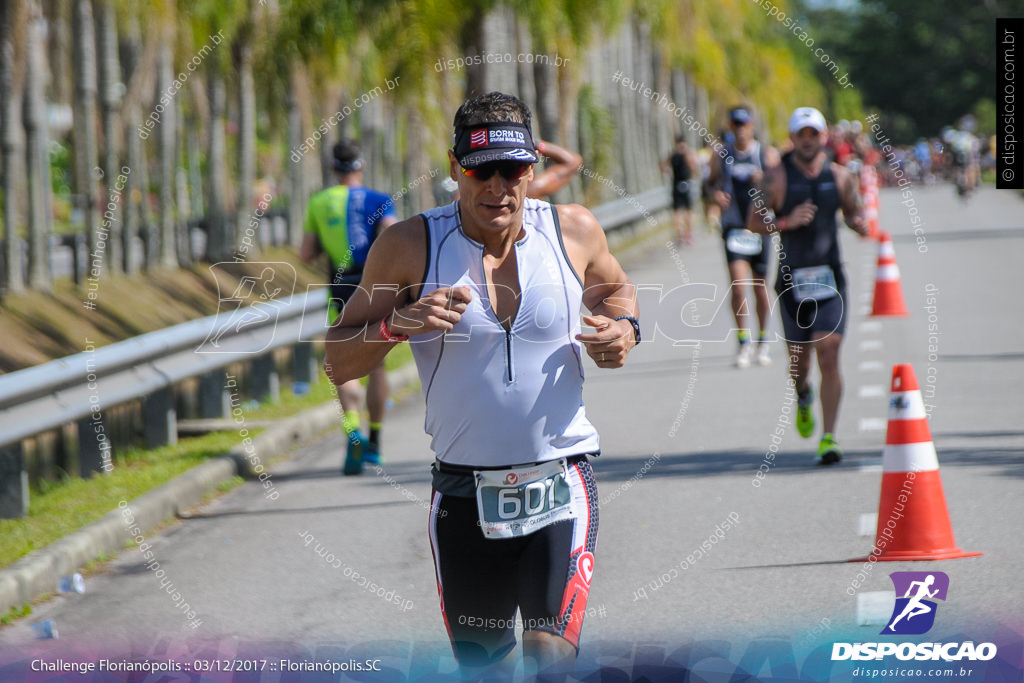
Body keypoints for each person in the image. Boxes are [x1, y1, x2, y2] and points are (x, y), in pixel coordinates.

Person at [323, 91, 639, 680]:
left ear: (532, 169)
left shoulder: (573, 230)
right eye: (480, 170)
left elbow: (618, 291)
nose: (498, 186)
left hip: (560, 485)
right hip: (464, 499)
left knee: (552, 661)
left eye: (513, 169)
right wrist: (397, 324)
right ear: (453, 169)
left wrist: (624, 330)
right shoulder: (409, 247)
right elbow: (337, 362)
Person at [747, 106, 868, 464]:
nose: (808, 139)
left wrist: (858, 223)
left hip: (830, 277)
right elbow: (752, 222)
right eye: (802, 133)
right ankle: (802, 395)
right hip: (790, 281)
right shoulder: (774, 177)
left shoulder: (841, 176)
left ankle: (829, 437)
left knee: (828, 353)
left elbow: (853, 210)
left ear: (823, 136)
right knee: (799, 364)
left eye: (814, 133)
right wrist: (785, 221)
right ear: (793, 137)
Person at [301, 140, 398, 475]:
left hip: (340, 288)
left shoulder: (318, 202)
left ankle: (352, 429)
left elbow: (305, 253)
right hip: (376, 288)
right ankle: (374, 444)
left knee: (342, 360)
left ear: (333, 168)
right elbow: (390, 238)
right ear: (361, 166)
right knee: (378, 366)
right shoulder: (379, 200)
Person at [706, 106, 780, 368]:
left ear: (751, 126)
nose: (740, 129)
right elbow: (709, 182)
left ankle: (763, 340)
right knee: (738, 287)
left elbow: (780, 187)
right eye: (735, 124)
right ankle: (743, 342)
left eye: (744, 124)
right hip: (734, 227)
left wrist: (765, 183)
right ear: (730, 126)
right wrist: (715, 194)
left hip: (759, 229)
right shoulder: (722, 155)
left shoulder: (765, 155)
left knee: (760, 288)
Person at [661, 136, 698, 244]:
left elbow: (663, 166)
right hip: (685, 184)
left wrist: (668, 171)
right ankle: (688, 234)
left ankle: (680, 235)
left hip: (676, 185)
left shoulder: (672, 155)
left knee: (678, 212)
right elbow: (693, 166)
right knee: (687, 211)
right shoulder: (686, 154)